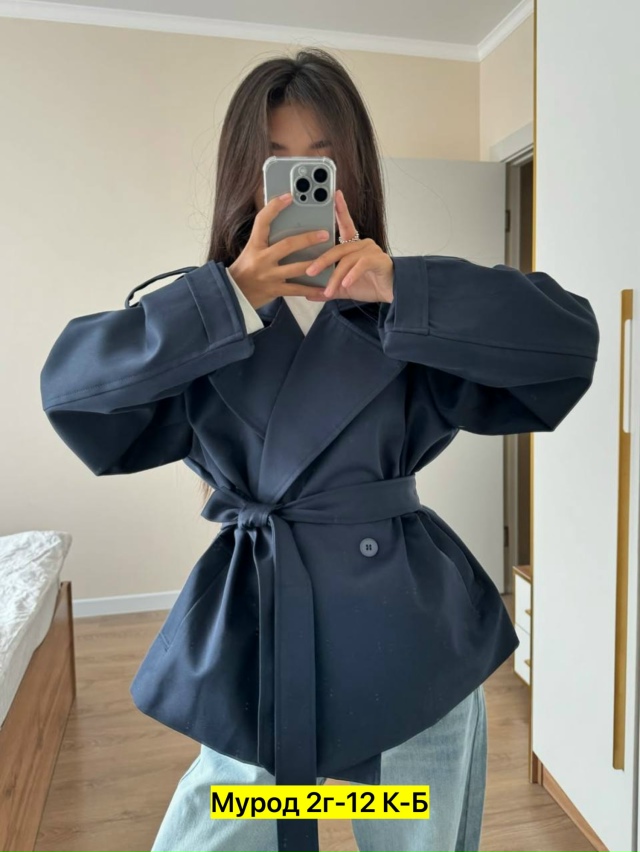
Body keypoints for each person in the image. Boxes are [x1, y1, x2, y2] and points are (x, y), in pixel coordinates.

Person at [39, 48, 600, 852]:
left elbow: (568, 343)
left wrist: (403, 286)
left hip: (409, 644)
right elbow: (71, 390)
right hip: (259, 639)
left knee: (418, 829)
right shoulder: (203, 320)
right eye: (276, 163)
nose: (298, 184)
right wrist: (226, 301)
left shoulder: (405, 313)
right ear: (244, 179)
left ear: (353, 177)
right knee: (223, 825)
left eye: (322, 162)